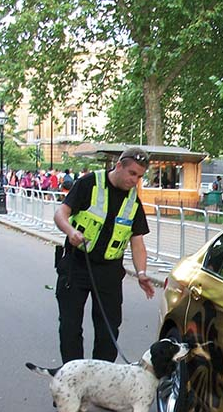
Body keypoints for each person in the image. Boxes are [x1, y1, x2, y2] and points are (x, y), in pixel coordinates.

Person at [53, 147, 156, 363]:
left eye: (139, 176)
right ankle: (73, 382)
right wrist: (70, 231)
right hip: (77, 264)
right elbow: (61, 213)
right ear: (119, 166)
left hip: (109, 272)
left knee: (108, 333)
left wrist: (142, 273)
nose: (135, 180)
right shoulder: (89, 183)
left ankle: (101, 384)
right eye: (132, 173)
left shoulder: (133, 202)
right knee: (70, 328)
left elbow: (137, 243)